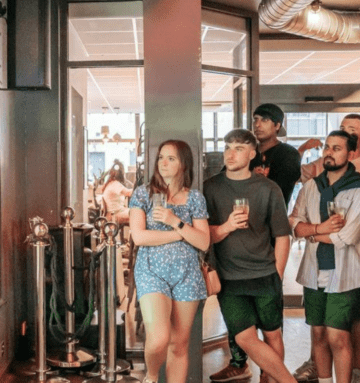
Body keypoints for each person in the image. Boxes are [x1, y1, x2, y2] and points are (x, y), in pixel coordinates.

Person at [293, 114, 360, 383]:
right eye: (326, 147)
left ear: (351, 153)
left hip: (345, 275)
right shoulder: (311, 186)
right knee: (319, 334)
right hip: (313, 271)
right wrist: (318, 230)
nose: (329, 153)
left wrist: (308, 233)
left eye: (336, 148)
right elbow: (294, 224)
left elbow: (345, 237)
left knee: (337, 335)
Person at [213, 105, 300, 382]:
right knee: (245, 337)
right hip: (230, 277)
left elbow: (282, 235)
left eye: (238, 148)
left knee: (273, 335)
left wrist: (278, 272)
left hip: (265, 274)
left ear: (252, 154)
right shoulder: (210, 187)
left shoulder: (268, 188)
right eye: (227, 147)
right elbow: (205, 236)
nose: (230, 153)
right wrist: (226, 227)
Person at [129, 140, 210, 383]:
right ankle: (151, 376)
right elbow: (139, 236)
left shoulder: (195, 198)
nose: (163, 163)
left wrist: (175, 221)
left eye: (171, 158)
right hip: (152, 271)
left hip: (187, 274)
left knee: (178, 345)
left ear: (184, 164)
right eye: (161, 157)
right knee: (159, 337)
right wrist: (182, 235)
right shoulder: (143, 194)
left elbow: (204, 242)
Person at [252, 103, 301, 206]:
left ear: (277, 125)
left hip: (274, 218)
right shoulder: (247, 152)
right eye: (255, 119)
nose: (257, 125)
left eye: (264, 120)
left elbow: (279, 190)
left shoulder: (288, 154)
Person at [102, 160, 133, 224]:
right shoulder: (115, 184)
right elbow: (129, 193)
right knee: (138, 215)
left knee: (135, 211)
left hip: (114, 213)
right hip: (115, 215)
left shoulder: (110, 183)